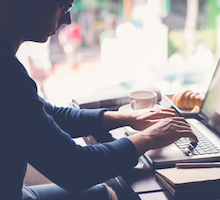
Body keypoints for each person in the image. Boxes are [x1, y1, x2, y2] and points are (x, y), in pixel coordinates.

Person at [0, 0, 198, 200]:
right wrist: (149, 137)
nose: (68, 19)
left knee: (108, 192)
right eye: (65, 6)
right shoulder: (7, 74)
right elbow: (75, 170)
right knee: (113, 193)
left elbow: (46, 114)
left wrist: (125, 118)